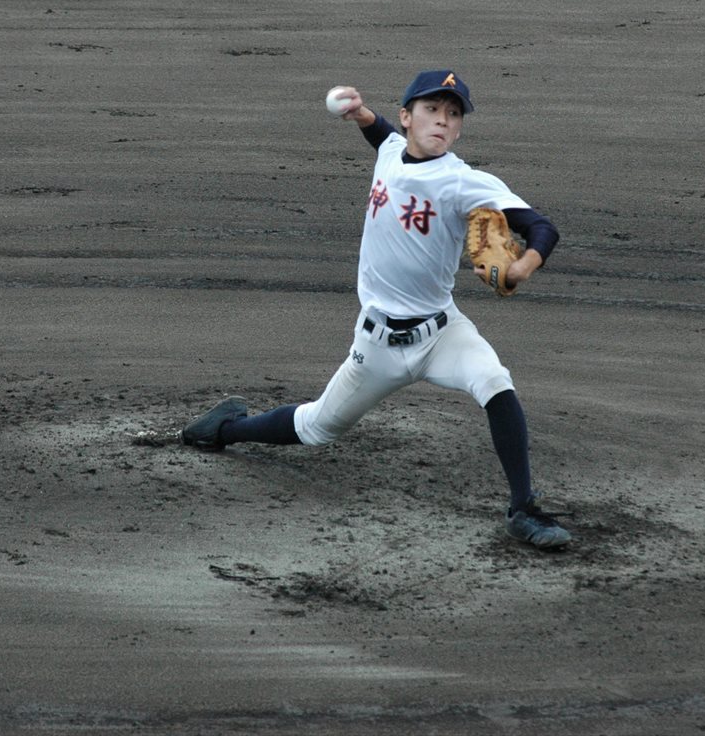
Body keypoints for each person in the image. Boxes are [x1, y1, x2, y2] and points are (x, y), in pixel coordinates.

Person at [181, 69, 571, 550]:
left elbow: (542, 228)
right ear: (408, 117)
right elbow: (382, 135)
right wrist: (362, 113)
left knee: (494, 381)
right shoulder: (390, 151)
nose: (442, 120)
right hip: (377, 345)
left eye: (453, 114)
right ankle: (224, 429)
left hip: (442, 334)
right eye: (431, 109)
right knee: (317, 427)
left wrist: (523, 266)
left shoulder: (463, 182)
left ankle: (523, 510)